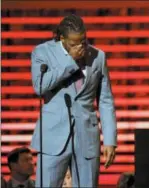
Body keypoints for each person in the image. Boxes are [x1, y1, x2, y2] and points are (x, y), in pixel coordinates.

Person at [30, 14, 117, 187]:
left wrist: (110, 139)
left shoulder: (98, 57)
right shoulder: (42, 52)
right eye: (74, 43)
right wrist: (70, 61)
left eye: (83, 41)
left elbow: (106, 100)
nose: (80, 47)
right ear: (62, 38)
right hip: (53, 136)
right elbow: (40, 86)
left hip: (87, 137)